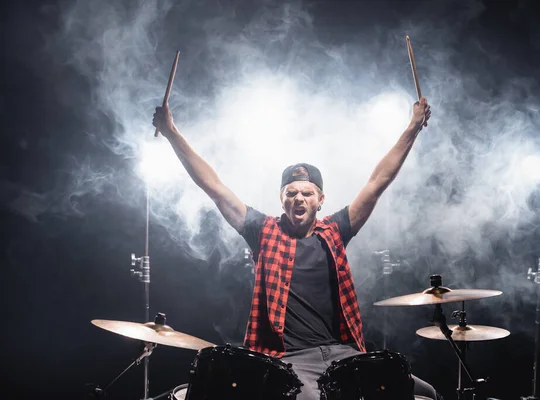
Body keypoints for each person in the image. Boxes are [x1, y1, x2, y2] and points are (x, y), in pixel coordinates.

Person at [152, 96, 442, 400]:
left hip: (343, 354)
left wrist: (413, 127)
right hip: (290, 360)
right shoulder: (263, 231)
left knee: (427, 394)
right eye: (291, 193)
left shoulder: (335, 230)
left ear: (320, 200)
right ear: (282, 200)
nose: (299, 198)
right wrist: (172, 132)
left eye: (307, 193)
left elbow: (378, 181)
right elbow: (214, 186)